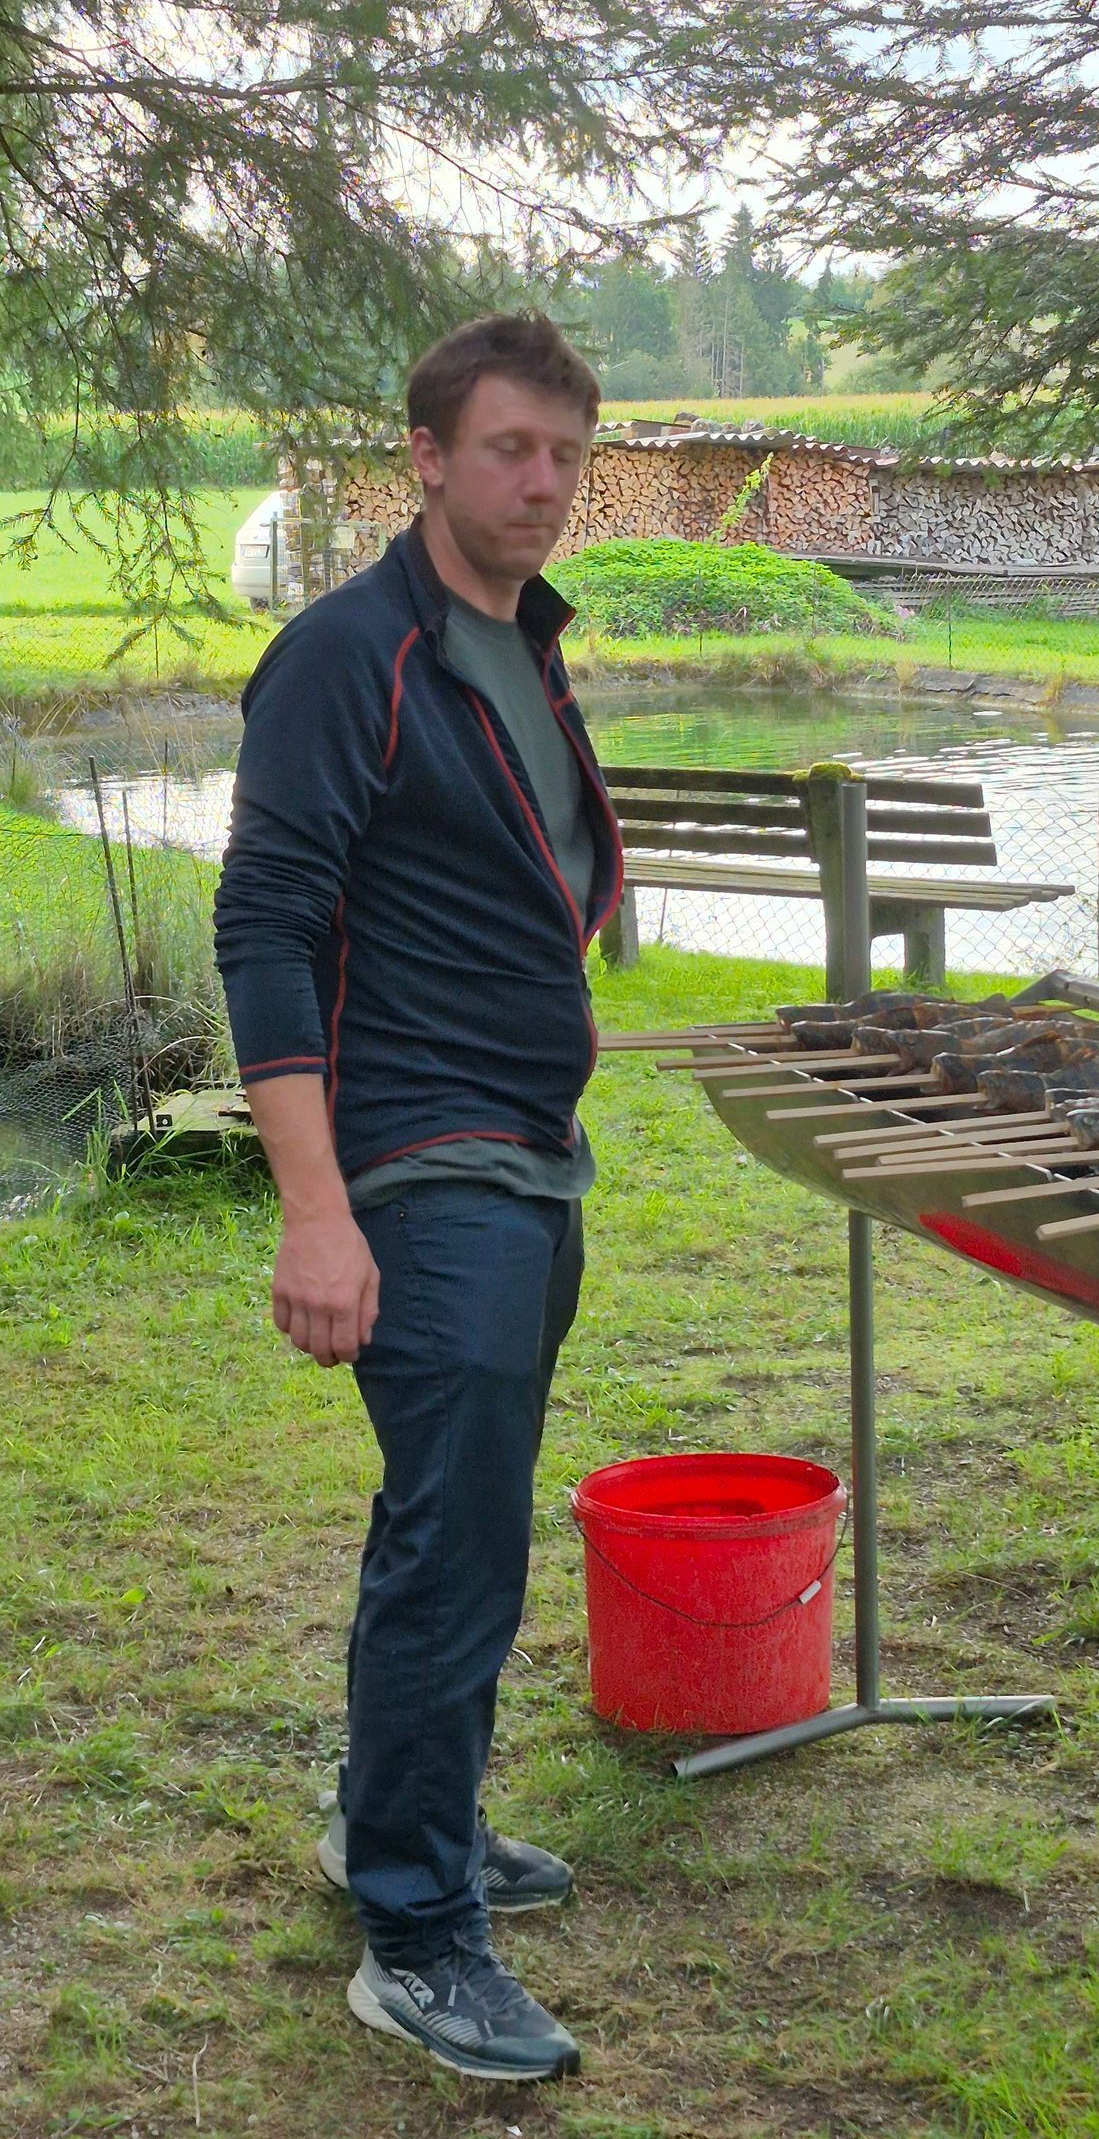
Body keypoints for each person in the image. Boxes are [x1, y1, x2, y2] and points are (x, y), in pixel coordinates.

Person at [213, 313, 623, 2082]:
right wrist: (316, 1210)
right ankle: (417, 1936)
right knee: (459, 1546)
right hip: (419, 1156)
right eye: (510, 448)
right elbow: (266, 925)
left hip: (524, 1143)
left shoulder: (521, 640)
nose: (543, 484)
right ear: (429, 457)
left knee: (452, 1516)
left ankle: (396, 1817)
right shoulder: (343, 654)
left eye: (567, 456)